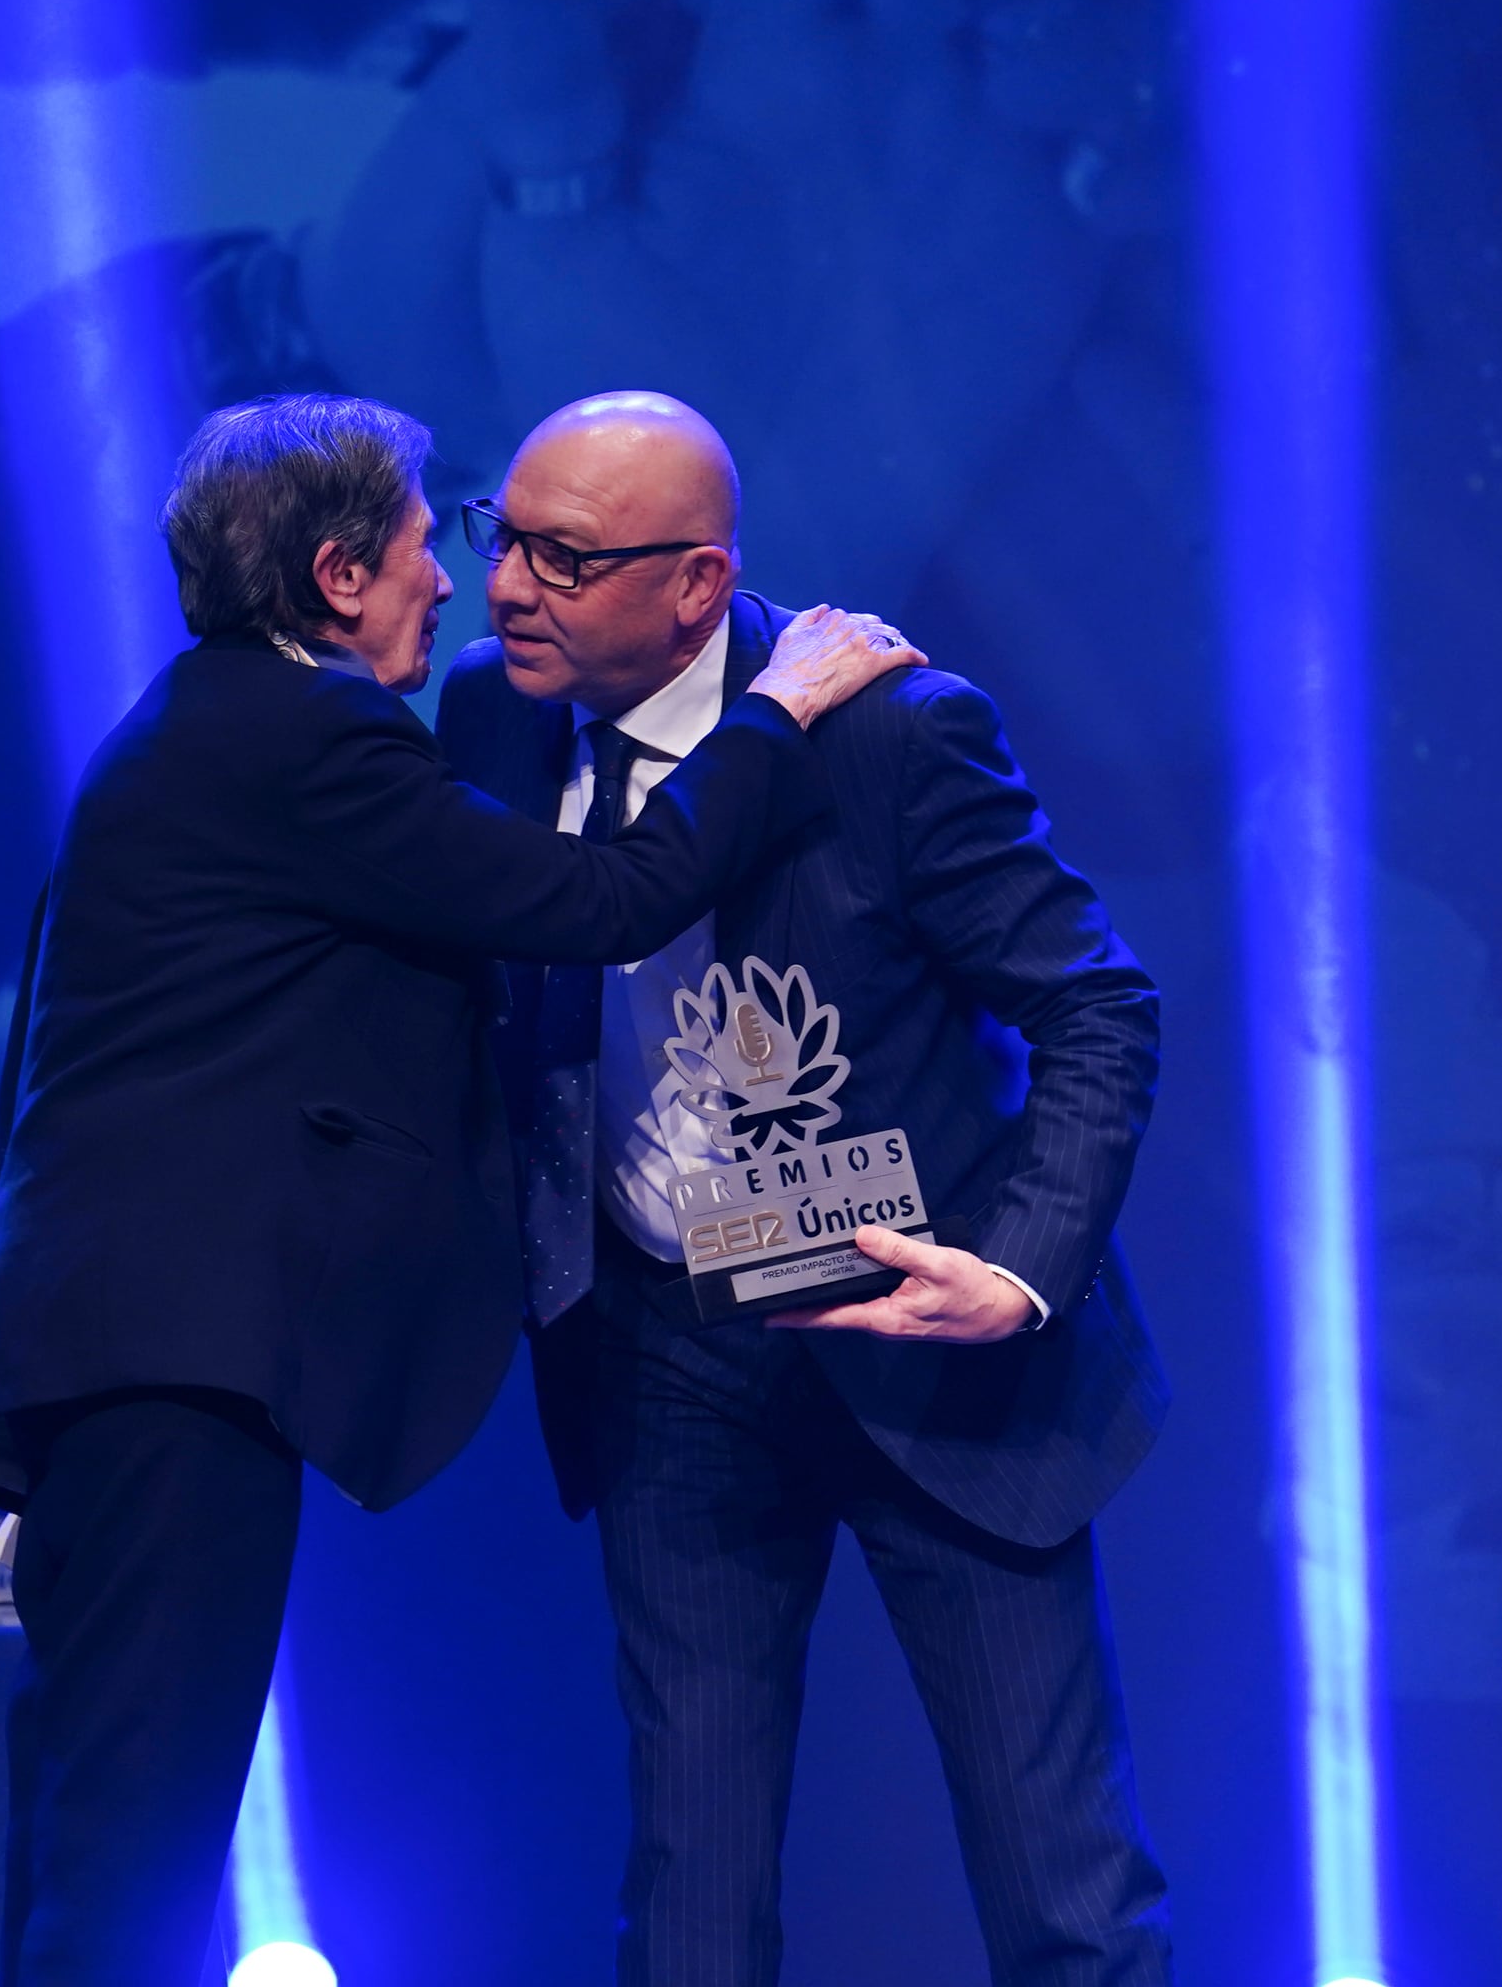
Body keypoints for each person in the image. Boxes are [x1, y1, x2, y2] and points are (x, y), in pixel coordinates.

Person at [0, 391, 919, 1987]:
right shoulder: (306, 736)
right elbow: (606, 894)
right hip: (169, 1366)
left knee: (95, 1830)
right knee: (132, 1848)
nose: (458, 585)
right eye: (427, 547)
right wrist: (785, 704)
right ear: (339, 577)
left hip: (106, 1351)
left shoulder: (197, 725)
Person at [438, 392, 1172, 1985]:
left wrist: (1022, 1271)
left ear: (699, 585)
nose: (506, 589)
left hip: (928, 1336)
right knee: (692, 1890)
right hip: (663, 1348)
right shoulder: (493, 720)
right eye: (504, 538)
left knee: (1061, 1893)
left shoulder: (896, 734)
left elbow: (1099, 1007)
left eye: (565, 560)